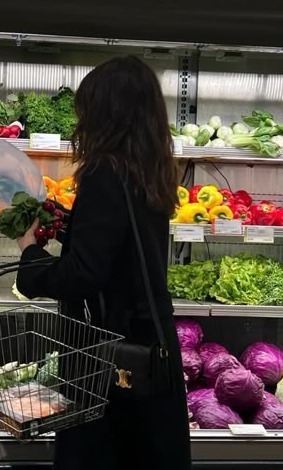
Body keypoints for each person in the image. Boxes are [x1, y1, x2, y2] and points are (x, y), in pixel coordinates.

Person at [15, 55, 191, 470]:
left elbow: (83, 275)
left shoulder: (104, 172)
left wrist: (29, 254)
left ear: (106, 114)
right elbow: (123, 248)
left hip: (109, 358)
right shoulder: (151, 171)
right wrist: (65, 222)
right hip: (151, 347)